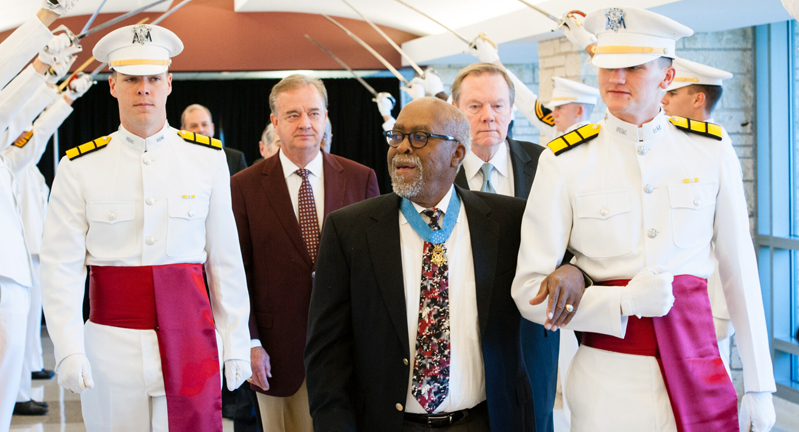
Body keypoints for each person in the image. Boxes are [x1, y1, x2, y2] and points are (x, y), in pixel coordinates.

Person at [512, 7, 776, 432]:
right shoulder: (565, 161)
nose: (616, 78)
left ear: (667, 78)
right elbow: (528, 292)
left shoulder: (709, 150)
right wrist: (623, 303)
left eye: (633, 66)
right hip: (606, 381)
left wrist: (761, 384)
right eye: (608, 66)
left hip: (699, 366)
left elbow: (738, 269)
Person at [40, 24, 252, 431]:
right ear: (112, 85)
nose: (144, 89)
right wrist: (68, 349)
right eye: (132, 79)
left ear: (169, 83)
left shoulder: (206, 161)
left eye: (153, 78)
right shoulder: (79, 168)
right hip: (109, 349)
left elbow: (225, 260)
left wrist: (236, 342)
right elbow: (60, 268)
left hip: (192, 341)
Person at [306, 96, 540, 431]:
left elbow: (568, 264)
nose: (402, 148)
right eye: (396, 136)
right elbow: (326, 353)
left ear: (457, 153)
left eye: (419, 137)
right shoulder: (349, 230)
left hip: (485, 421)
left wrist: (574, 272)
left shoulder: (508, 221)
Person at [231, 74, 379, 432]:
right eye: (293, 114)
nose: (305, 123)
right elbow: (236, 272)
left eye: (314, 112)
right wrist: (248, 342)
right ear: (275, 122)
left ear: (326, 117)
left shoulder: (360, 179)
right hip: (276, 354)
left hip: (351, 350)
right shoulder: (244, 186)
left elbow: (378, 270)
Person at [448, 61, 586, 432]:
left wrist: (575, 269)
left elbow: (576, 239)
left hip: (532, 331)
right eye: (474, 106)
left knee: (535, 423)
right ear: (456, 110)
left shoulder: (548, 162)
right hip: (462, 328)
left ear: (511, 111)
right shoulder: (441, 168)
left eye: (497, 106)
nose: (487, 116)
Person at [0, 1, 79, 428]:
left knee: (8, 363)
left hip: (8, 266)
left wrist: (52, 83)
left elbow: (31, 130)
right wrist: (44, 23)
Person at [2, 72, 92, 417]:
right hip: (13, 267)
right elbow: (13, 111)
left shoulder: (11, 163)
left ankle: (17, 397)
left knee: (12, 353)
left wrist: (65, 100)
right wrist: (44, 71)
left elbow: (35, 134)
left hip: (19, 266)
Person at [660, 57, 737, 376]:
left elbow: (727, 243)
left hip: (707, 305)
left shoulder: (716, 146)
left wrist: (721, 313)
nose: (663, 99)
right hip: (673, 304)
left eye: (673, 94)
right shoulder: (670, 144)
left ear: (697, 98)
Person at [468, 21, 599, 143]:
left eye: (560, 107)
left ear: (579, 111)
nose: (553, 113)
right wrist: (493, 62)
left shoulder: (598, 139)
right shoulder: (560, 132)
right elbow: (528, 103)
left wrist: (588, 44)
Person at [181, 103, 248, 175]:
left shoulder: (236, 159)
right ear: (183, 131)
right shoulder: (177, 159)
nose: (200, 130)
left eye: (204, 124)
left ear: (212, 128)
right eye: (194, 126)